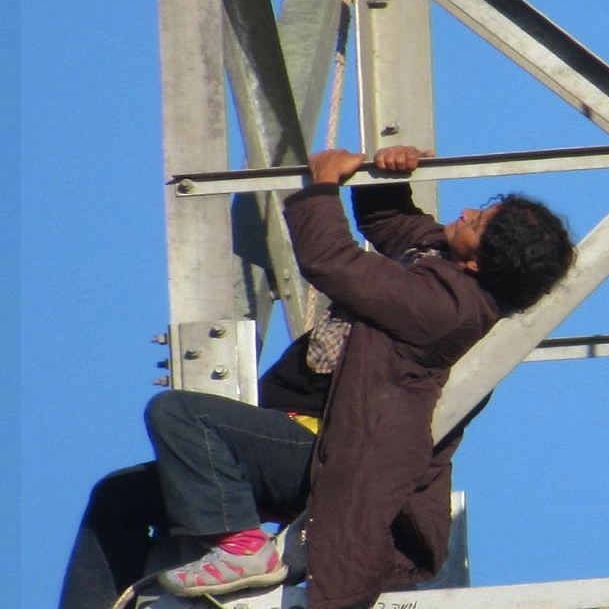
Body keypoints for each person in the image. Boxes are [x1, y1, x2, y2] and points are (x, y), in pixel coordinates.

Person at [58, 145, 576, 609]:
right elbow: (397, 227)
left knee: (179, 413)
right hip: (285, 436)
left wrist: (320, 187)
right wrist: (386, 178)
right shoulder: (440, 259)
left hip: (321, 450)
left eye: (477, 221)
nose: (464, 212)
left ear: (480, 264)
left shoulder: (450, 307)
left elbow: (333, 262)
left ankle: (241, 547)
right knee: (119, 495)